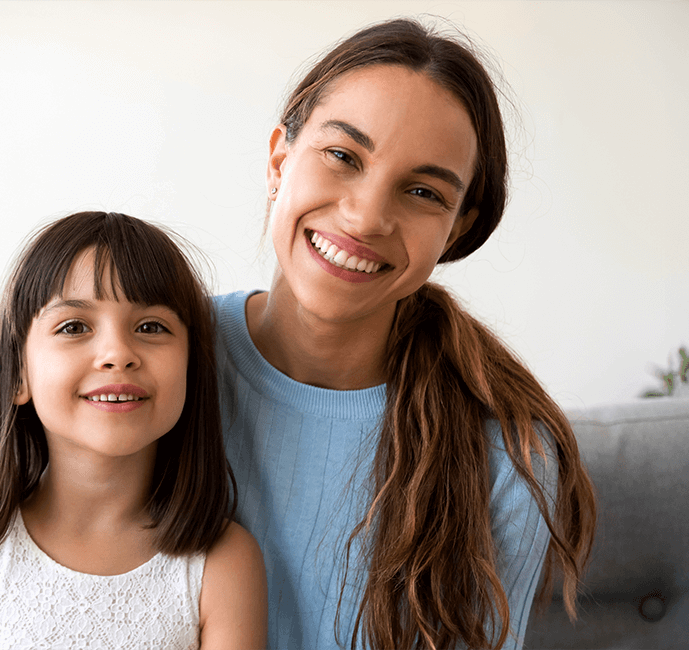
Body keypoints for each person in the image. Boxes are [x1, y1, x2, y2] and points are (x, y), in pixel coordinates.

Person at [214, 17, 597, 650]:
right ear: (280, 159)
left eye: (422, 191)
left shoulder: (507, 457)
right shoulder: (144, 361)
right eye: (343, 156)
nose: (366, 217)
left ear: (455, 227)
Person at [0, 211, 267, 649]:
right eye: (74, 327)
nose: (117, 353)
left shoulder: (224, 562)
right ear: (18, 373)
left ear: (193, 370)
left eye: (151, 326)